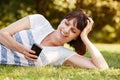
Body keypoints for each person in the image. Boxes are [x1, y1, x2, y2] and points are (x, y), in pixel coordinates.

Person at [0, 8, 109, 69]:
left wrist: (84, 37)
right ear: (62, 20)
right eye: (66, 23)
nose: (66, 30)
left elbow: (102, 67)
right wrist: (22, 49)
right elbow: (2, 33)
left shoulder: (63, 54)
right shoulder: (39, 21)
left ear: (77, 37)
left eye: (73, 31)